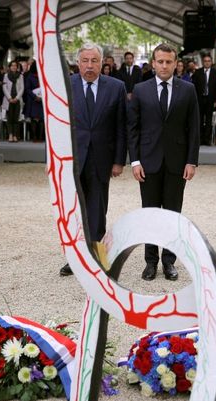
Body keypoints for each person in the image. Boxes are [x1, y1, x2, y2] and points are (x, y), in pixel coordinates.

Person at [127, 43, 200, 282]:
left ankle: (169, 262)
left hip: (177, 163)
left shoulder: (188, 90)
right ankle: (150, 262)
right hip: (147, 163)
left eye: (169, 62)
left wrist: (192, 161)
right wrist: (135, 161)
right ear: (153, 62)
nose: (164, 66)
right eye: (160, 61)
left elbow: (193, 129)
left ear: (176, 63)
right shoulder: (140, 89)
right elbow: (133, 128)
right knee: (149, 215)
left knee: (172, 215)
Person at [59, 43, 127, 276]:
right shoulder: (66, 85)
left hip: (101, 158)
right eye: (85, 61)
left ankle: (97, 256)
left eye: (94, 61)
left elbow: (121, 126)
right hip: (72, 160)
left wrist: (119, 161)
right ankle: (75, 258)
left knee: (97, 210)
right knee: (74, 211)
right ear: (78, 63)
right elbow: (57, 125)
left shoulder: (116, 87)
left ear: (102, 63)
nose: (89, 66)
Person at [191, 53, 216, 146]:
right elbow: (194, 87)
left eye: (209, 61)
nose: (207, 63)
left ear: (211, 62)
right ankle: (200, 139)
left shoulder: (215, 73)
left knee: (208, 120)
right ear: (203, 62)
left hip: (210, 99)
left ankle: (207, 139)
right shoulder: (198, 72)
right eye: (205, 61)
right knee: (199, 119)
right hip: (200, 99)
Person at [2, 61, 24, 142]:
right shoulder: (6, 76)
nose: (14, 67)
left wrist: (17, 98)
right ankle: (10, 135)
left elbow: (22, 88)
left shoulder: (20, 76)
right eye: (12, 65)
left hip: (17, 99)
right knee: (9, 118)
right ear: (10, 67)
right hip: (9, 99)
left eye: (15, 65)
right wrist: (9, 98)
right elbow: (4, 88)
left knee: (16, 118)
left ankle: (15, 135)